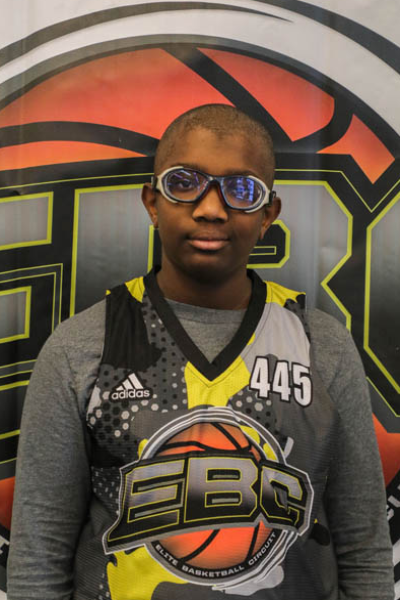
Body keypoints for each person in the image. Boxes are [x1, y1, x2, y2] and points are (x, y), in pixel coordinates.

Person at [7, 104, 393, 600]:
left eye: (241, 190)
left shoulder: (323, 346)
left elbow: (364, 548)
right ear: (152, 202)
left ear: (268, 214)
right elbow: (39, 558)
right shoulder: (81, 348)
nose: (211, 208)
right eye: (184, 183)